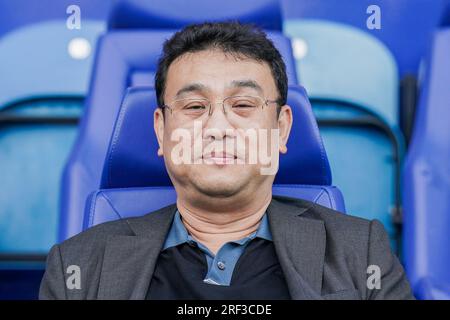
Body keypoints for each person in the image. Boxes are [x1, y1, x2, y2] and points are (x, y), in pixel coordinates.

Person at [40, 22, 414, 300]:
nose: (218, 126)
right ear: (161, 131)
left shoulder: (360, 251)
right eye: (194, 106)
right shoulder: (79, 266)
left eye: (243, 105)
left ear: (282, 129)